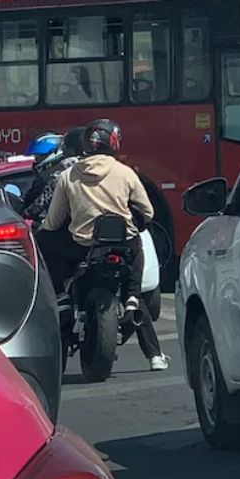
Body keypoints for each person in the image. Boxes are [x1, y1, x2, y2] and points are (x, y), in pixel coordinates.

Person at [39, 119, 169, 371]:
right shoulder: (126, 173)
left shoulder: (68, 176)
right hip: (123, 246)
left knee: (45, 239)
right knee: (136, 247)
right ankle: (132, 297)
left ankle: (61, 296)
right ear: (113, 142)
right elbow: (148, 212)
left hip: (82, 248)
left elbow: (52, 222)